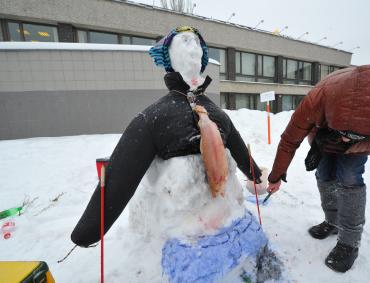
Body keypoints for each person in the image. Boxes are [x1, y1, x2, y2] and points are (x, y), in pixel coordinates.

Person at [71, 26, 280, 282]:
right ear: (167, 57)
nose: (192, 48)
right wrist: (90, 229)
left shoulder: (217, 115)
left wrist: (257, 177)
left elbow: (239, 150)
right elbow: (120, 176)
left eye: (196, 43)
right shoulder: (153, 119)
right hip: (183, 231)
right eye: (184, 42)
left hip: (230, 217)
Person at [266, 64, 370, 272]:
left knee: (349, 178)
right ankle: (333, 222)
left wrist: (353, 142)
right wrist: (276, 176)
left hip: (357, 144)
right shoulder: (316, 101)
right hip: (324, 137)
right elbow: (288, 141)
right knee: (324, 173)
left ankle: (349, 243)